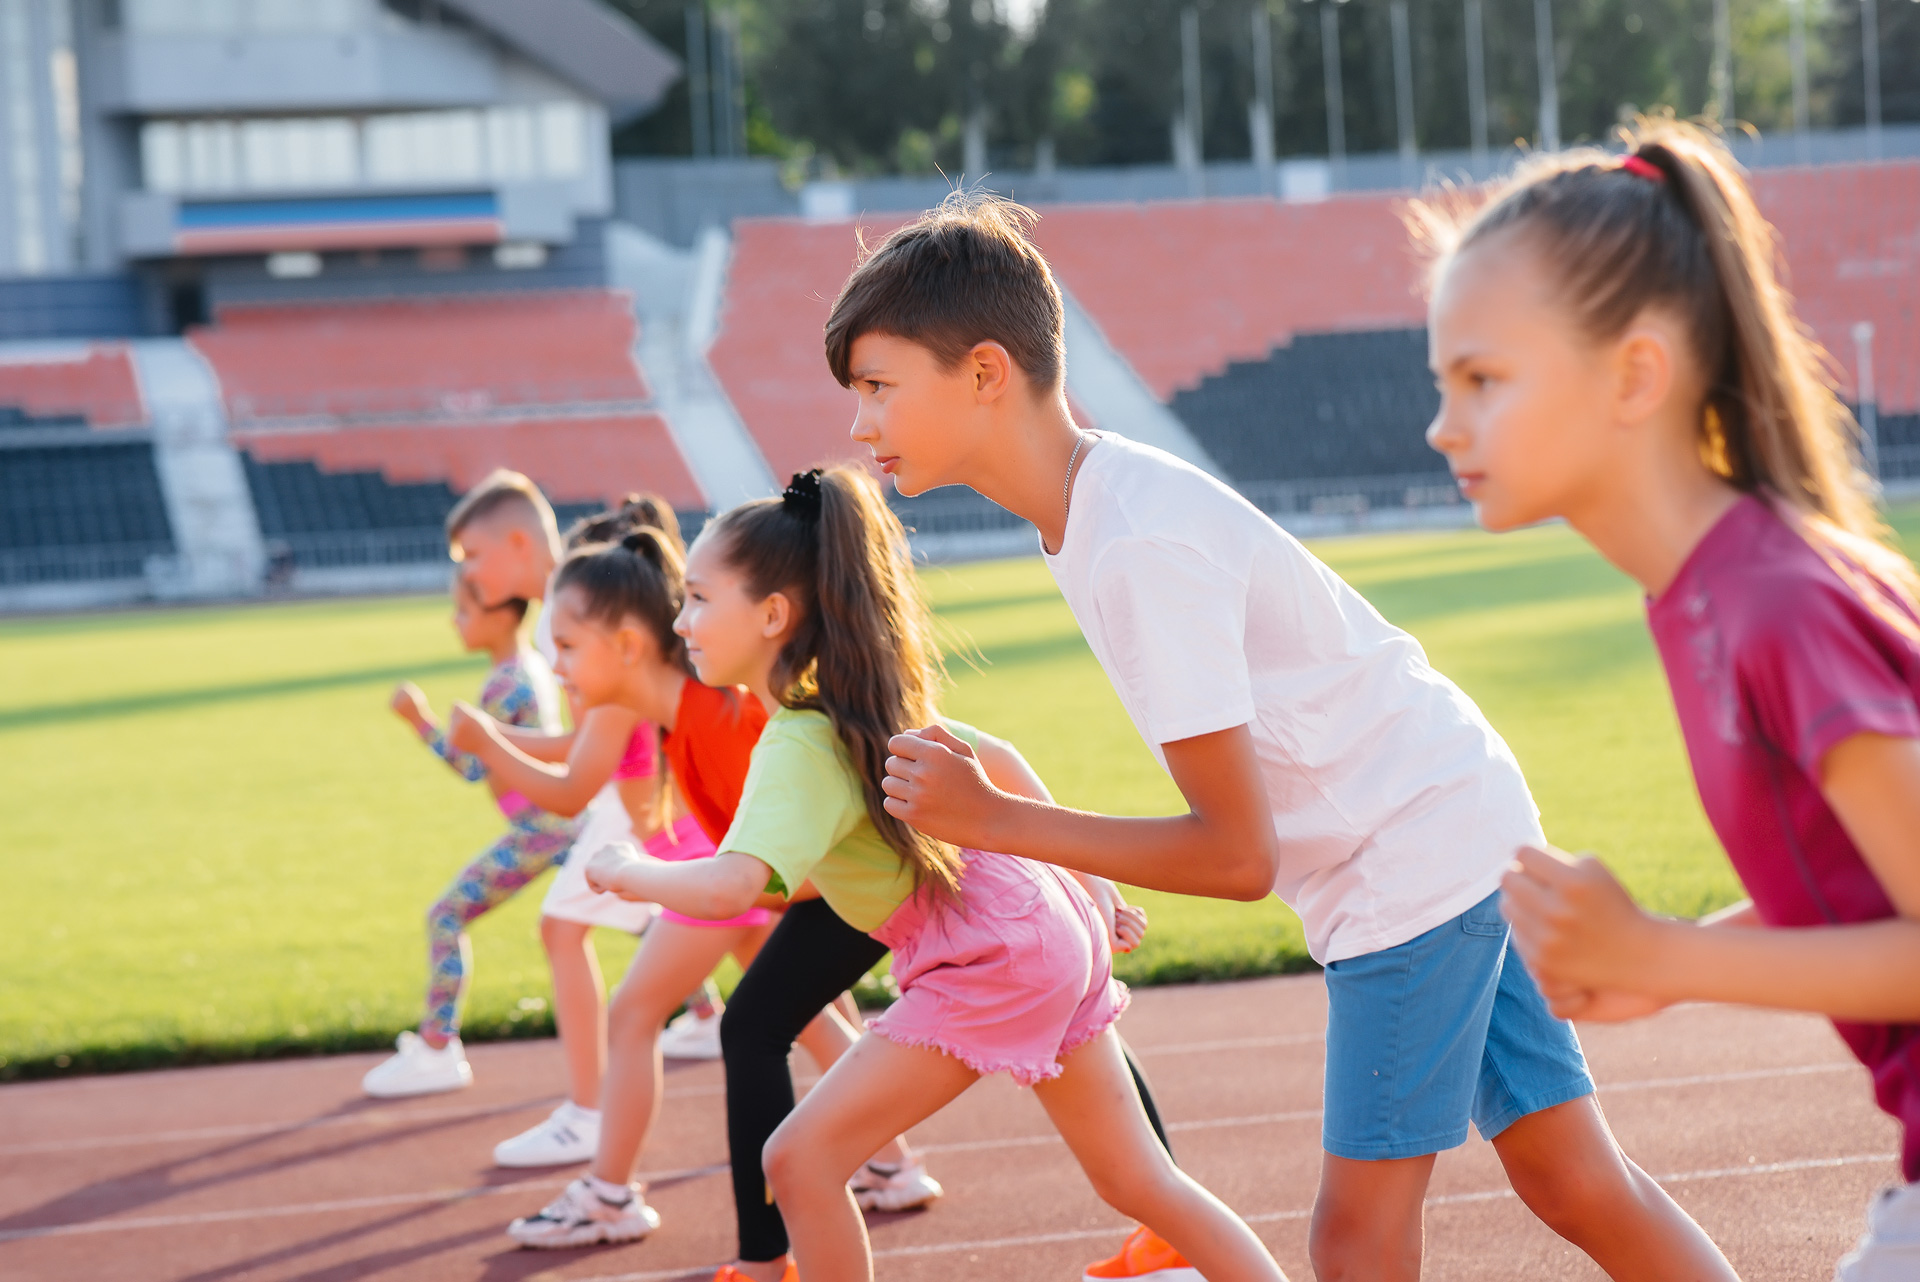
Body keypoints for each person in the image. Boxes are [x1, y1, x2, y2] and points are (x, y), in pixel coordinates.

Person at [841, 192, 1740, 1282]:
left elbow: (1233, 857)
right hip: (1450, 809)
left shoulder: (1134, 542)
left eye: (880, 387)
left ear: (986, 372)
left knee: (1355, 1244)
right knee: (1572, 1178)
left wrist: (998, 822)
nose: (861, 425)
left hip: (1407, 855)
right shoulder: (1090, 511)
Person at [1418, 119, 1920, 1281]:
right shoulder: (1712, 592)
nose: (1443, 425)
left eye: (1482, 379)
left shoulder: (1774, 601)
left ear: (1636, 374)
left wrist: (1669, 954)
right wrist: (1672, 953)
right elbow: (1853, 888)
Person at [581, 467, 1280, 1282]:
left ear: (773, 615)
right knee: (1138, 1178)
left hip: (993, 954)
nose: (682, 619)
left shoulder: (800, 742)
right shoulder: (864, 699)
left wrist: (626, 869)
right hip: (1044, 924)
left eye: (699, 598)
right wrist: (1095, 892)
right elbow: (1006, 762)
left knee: (798, 1161)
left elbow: (731, 887)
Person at [448, 528, 939, 1246]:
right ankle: (888, 1167)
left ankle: (618, 1195)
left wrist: (654, 875)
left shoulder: (719, 716)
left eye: (567, 647)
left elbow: (777, 835)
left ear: (626, 644)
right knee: (785, 1021)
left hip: (750, 882)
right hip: (759, 887)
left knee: (639, 1013)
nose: (553, 668)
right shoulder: (682, 719)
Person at [445, 475, 657, 1166]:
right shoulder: (567, 600)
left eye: (471, 556)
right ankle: (887, 1151)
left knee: (565, 933)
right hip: (637, 796)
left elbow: (579, 771)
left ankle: (589, 1121)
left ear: (516, 542)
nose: (468, 575)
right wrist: (492, 741)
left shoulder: (566, 605)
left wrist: (490, 743)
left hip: (639, 801)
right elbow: (584, 742)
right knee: (572, 932)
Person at [362, 578, 577, 1097]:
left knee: (446, 916)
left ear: (502, 615)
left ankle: (438, 1046)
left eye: (463, 610)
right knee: (639, 915)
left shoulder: (504, 684)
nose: (454, 620)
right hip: (560, 823)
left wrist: (419, 721)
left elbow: (471, 767)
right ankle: (707, 1010)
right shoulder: (533, 668)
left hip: (540, 829)